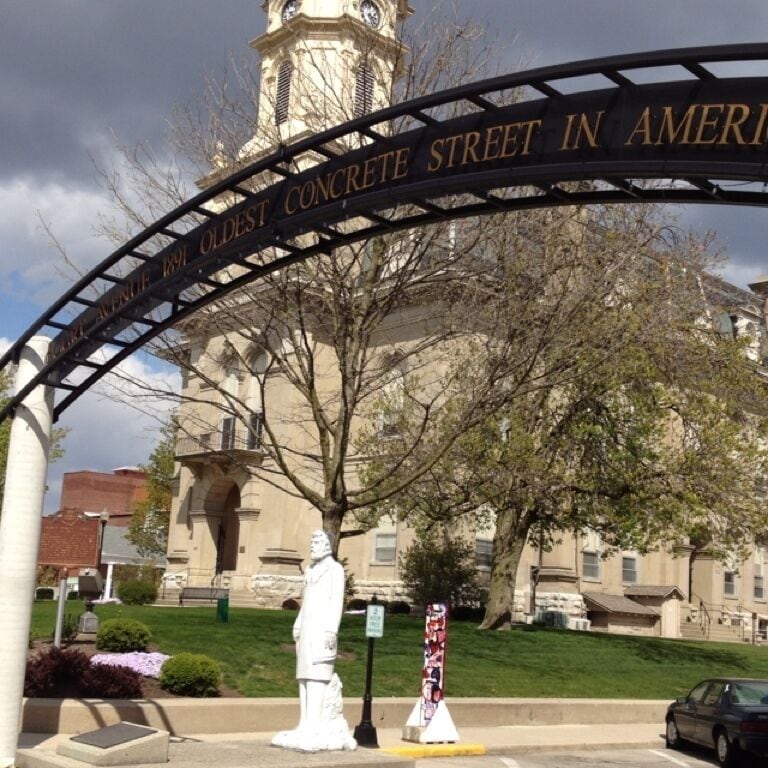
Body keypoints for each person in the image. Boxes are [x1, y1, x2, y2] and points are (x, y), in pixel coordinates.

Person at [272, 529, 354, 751]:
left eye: (317, 542)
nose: (312, 546)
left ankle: (315, 725)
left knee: (318, 675)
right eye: (312, 542)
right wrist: (298, 623)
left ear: (327, 544)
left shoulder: (334, 570)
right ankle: (305, 723)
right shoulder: (309, 570)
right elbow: (306, 600)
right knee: (304, 676)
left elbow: (337, 602)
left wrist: (331, 631)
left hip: (323, 629)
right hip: (307, 628)